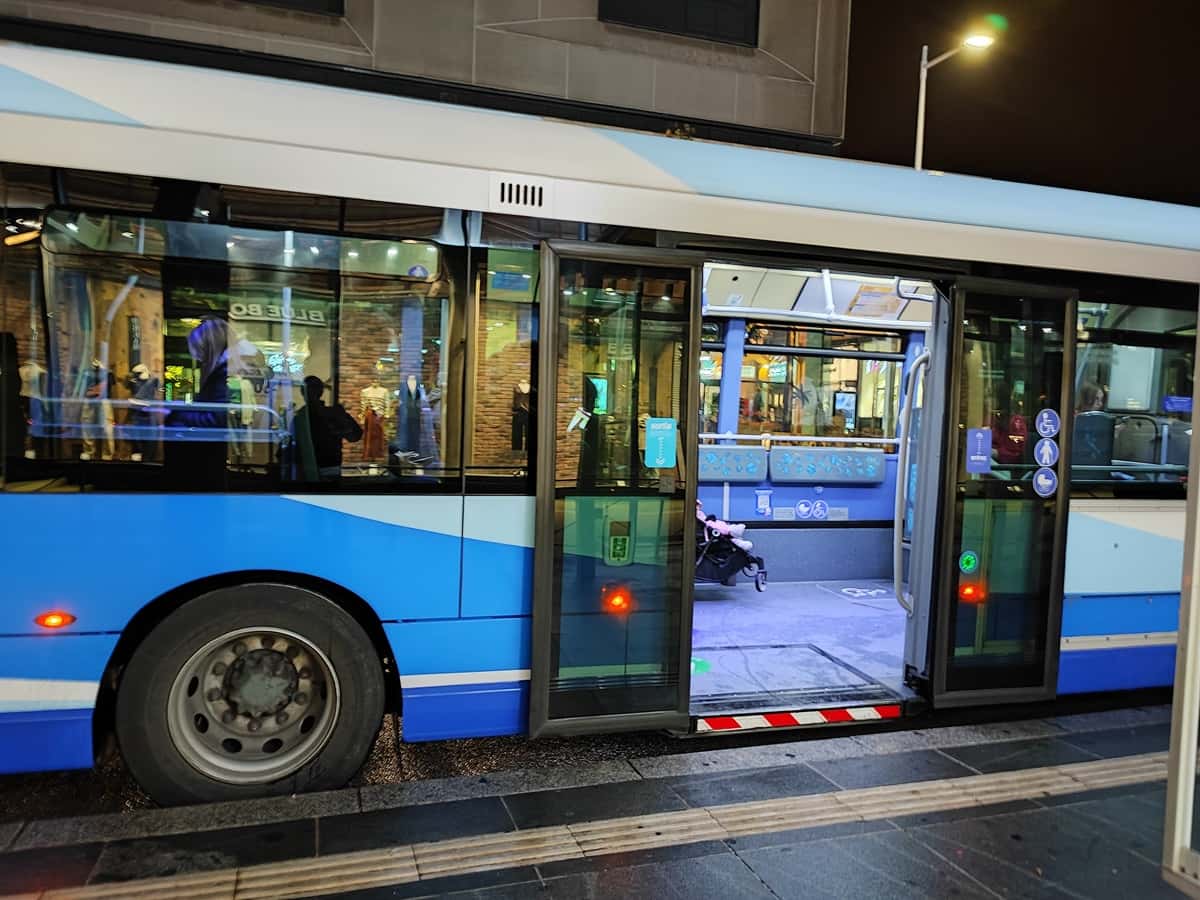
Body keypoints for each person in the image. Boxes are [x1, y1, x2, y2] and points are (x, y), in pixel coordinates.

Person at [297, 375, 362, 480]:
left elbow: (355, 435)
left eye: (314, 388)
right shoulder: (300, 417)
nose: (311, 393)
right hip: (307, 471)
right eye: (309, 389)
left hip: (329, 470)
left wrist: (342, 421)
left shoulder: (332, 413)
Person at [991, 380, 1027, 465]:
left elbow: (1016, 453)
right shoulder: (992, 418)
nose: (986, 399)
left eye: (991, 396)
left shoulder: (1016, 422)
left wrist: (997, 453)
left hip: (1006, 470)